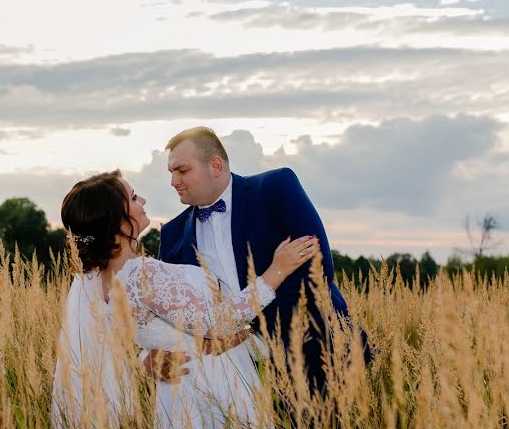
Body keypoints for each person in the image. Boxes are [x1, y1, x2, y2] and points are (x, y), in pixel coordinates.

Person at [50, 170, 318, 429]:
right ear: (117, 220)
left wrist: (144, 359)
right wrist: (277, 270)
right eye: (133, 196)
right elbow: (218, 322)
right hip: (211, 389)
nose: (142, 201)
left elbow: (123, 340)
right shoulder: (143, 273)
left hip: (176, 396)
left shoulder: (93, 283)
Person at [158, 127, 374, 399]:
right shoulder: (172, 235)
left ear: (215, 165)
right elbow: (167, 311)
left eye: (182, 170)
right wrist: (152, 354)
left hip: (312, 355)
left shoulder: (275, 188)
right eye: (171, 173)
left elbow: (318, 270)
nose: (174, 181)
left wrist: (244, 330)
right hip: (226, 377)